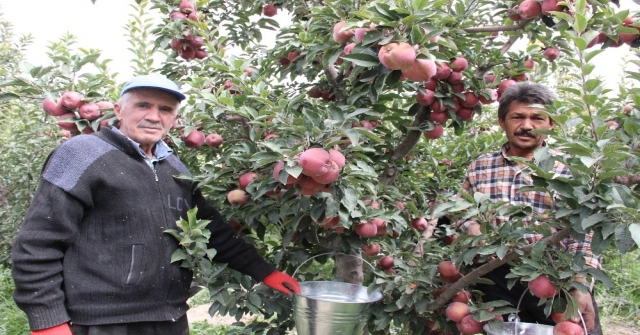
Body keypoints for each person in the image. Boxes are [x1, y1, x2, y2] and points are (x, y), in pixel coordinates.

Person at [11, 74, 300, 335]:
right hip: (101, 322)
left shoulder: (173, 165)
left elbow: (210, 227)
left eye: (165, 110)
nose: (153, 116)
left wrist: (264, 271)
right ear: (118, 110)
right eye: (143, 105)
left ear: (174, 119)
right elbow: (38, 244)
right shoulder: (81, 154)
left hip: (168, 317)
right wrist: (48, 320)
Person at [455, 82, 602, 334]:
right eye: (517, 117)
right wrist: (471, 226)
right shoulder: (480, 166)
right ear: (502, 121)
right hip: (496, 278)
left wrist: (580, 283)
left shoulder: (571, 170)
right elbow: (460, 210)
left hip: (555, 279)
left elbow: (585, 231)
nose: (526, 126)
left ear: (551, 123)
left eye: (537, 118)